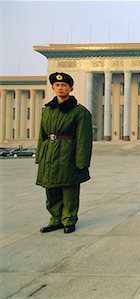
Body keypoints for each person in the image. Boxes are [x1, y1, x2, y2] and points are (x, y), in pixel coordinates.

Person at [35, 72, 93, 234]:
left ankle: (69, 220)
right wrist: (40, 155)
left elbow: (84, 139)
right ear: (53, 87)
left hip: (68, 154)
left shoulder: (80, 112)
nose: (60, 88)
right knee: (51, 190)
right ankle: (55, 219)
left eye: (64, 85)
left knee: (69, 191)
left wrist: (82, 161)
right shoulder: (47, 110)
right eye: (57, 85)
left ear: (71, 88)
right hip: (49, 154)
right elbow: (42, 135)